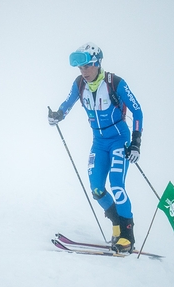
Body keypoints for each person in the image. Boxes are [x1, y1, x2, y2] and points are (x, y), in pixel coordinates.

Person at [48, 42, 143, 253]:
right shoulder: (79, 84)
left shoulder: (115, 83)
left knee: (117, 185)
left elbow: (138, 111)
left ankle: (128, 237)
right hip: (99, 143)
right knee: (97, 189)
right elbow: (67, 103)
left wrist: (136, 143)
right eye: (80, 68)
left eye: (87, 67)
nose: (83, 72)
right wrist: (58, 114)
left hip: (119, 140)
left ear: (97, 64)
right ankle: (116, 225)